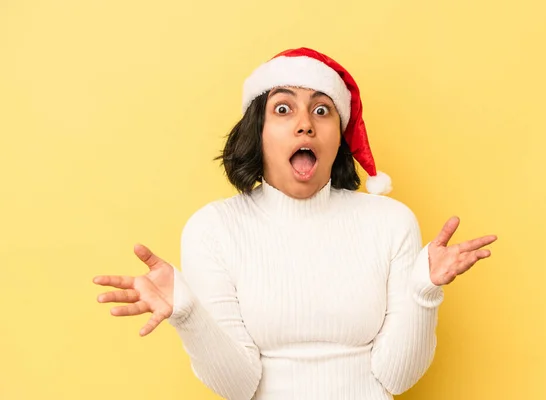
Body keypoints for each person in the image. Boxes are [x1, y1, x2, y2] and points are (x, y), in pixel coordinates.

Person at [93, 47, 497, 400]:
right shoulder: (213, 229)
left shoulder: (390, 222)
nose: (305, 123)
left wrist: (423, 292)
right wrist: (188, 313)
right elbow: (238, 386)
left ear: (339, 137)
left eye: (322, 110)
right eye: (283, 109)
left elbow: (397, 376)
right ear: (259, 131)